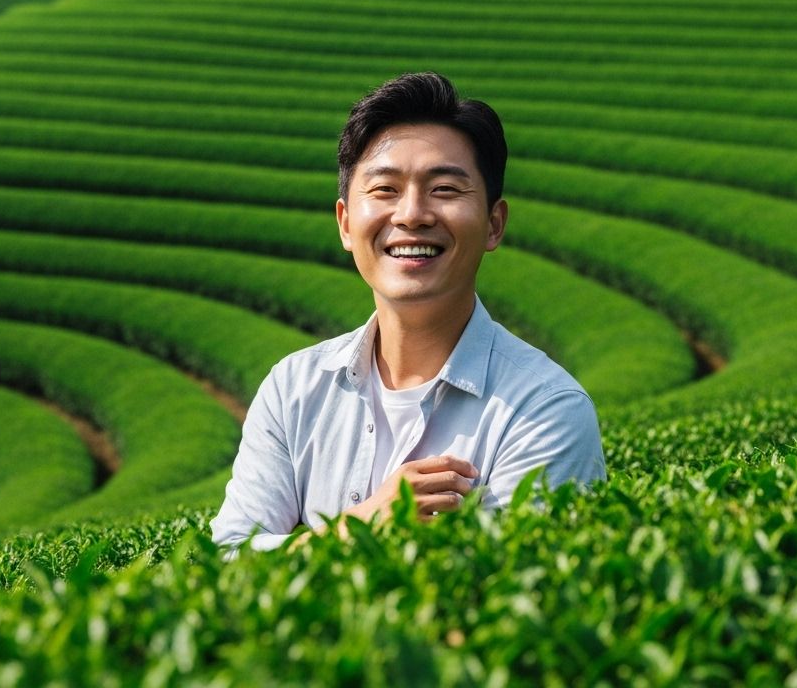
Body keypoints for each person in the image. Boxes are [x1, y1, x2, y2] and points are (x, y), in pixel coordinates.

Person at [211, 72, 605, 551]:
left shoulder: (545, 409)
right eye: (384, 190)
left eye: (444, 189)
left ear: (494, 225)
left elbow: (518, 589)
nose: (412, 214)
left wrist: (301, 545)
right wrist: (362, 526)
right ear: (346, 223)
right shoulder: (293, 389)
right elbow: (227, 556)